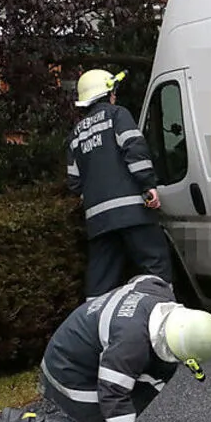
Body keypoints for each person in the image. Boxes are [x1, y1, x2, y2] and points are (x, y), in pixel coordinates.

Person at [0, 274, 211, 422]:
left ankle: (99, 421)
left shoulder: (160, 295)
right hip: (67, 371)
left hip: (81, 354)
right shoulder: (129, 347)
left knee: (155, 374)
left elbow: (144, 279)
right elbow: (113, 396)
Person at [67, 68, 173, 299]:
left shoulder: (76, 133)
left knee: (101, 279)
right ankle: (163, 316)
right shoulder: (117, 115)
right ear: (109, 93)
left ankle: (95, 325)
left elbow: (74, 181)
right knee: (155, 265)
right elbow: (134, 149)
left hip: (99, 221)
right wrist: (148, 186)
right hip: (132, 212)